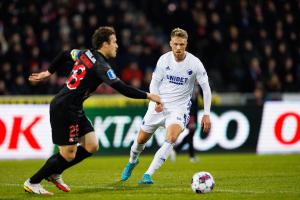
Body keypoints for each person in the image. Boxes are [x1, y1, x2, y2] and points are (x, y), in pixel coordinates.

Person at [23, 26, 161, 195]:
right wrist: (149, 96)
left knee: (91, 145)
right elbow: (122, 88)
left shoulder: (85, 54)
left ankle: (55, 172)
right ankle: (33, 181)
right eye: (114, 42)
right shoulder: (101, 66)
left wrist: (48, 72)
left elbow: (66, 53)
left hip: (74, 107)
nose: (117, 45)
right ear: (105, 44)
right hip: (64, 108)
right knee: (68, 154)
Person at [120, 28, 211, 184]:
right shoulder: (163, 60)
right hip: (159, 104)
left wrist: (207, 114)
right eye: (175, 44)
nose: (178, 48)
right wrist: (156, 101)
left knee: (171, 138)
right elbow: (154, 83)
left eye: (181, 44)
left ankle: (148, 174)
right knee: (140, 141)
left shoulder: (195, 63)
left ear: (186, 44)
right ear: (170, 43)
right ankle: (132, 161)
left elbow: (206, 88)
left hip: (179, 108)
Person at [169, 84, 200, 163]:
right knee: (191, 134)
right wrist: (191, 116)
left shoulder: (197, 86)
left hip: (194, 112)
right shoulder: (190, 86)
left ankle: (176, 150)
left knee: (191, 134)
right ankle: (191, 156)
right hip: (190, 113)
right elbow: (190, 102)